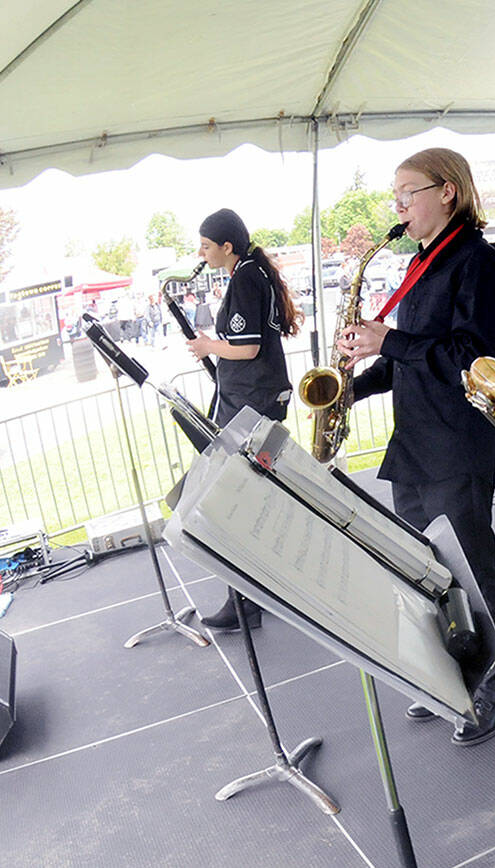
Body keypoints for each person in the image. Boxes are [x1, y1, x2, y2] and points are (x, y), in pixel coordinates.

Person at [338, 147, 495, 747]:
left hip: (456, 446)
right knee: (428, 575)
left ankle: (494, 687)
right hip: (414, 443)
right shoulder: (421, 265)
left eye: (408, 192)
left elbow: (477, 360)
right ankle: (453, 678)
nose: (399, 206)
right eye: (396, 196)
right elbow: (410, 355)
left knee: (474, 573)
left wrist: (389, 341)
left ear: (447, 191)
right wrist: (355, 384)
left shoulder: (479, 265)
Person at [188, 207, 301, 631]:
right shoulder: (251, 273)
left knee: (242, 499)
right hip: (253, 398)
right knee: (255, 497)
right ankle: (257, 594)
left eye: (205, 246)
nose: (201, 253)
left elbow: (248, 347)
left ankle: (247, 601)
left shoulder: (247, 277)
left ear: (226, 247)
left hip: (251, 401)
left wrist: (207, 347)